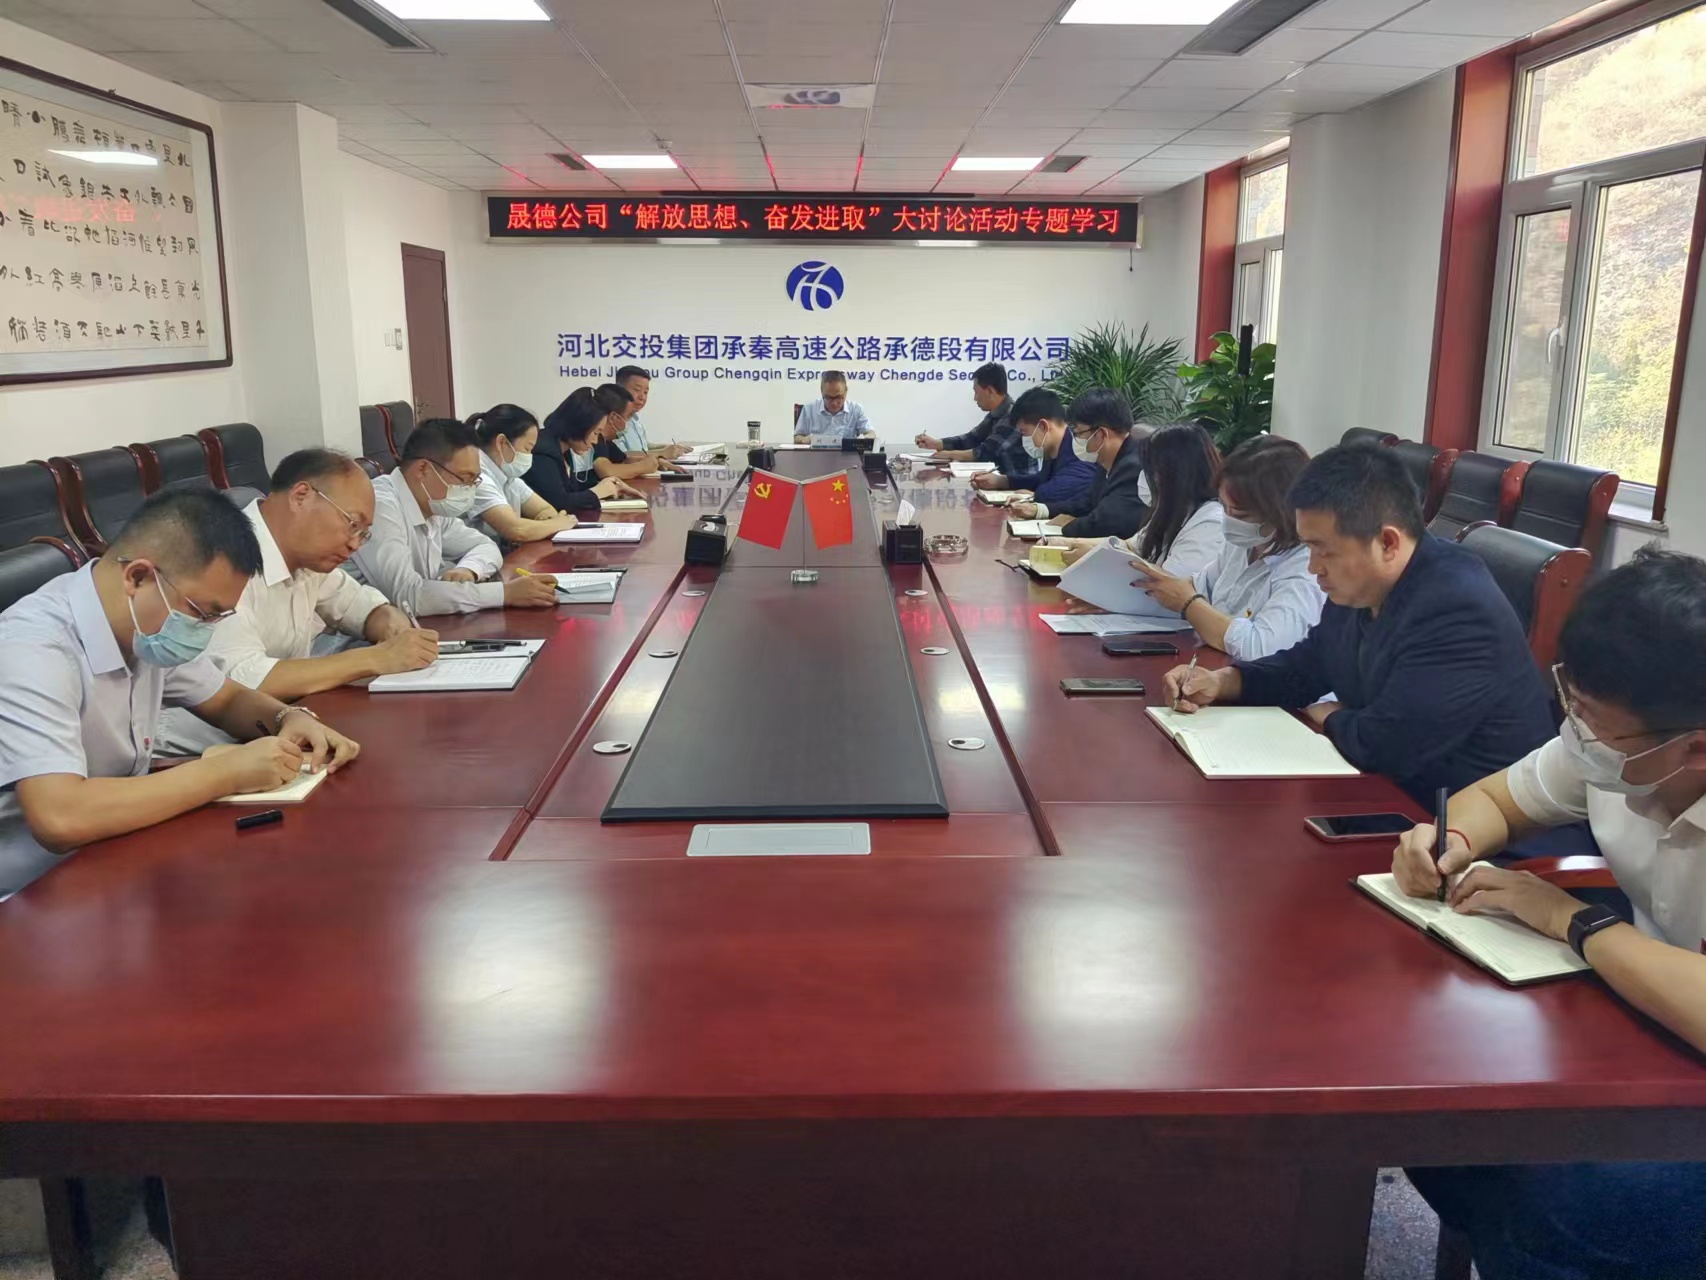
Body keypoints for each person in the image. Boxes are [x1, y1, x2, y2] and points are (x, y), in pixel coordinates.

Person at [1390, 548, 1706, 1280]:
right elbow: (1498, 800)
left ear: (1694, 747)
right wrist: (1448, 840)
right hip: (1649, 1036)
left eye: (1593, 720)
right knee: (1441, 1127)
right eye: (1572, 700)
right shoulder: (1622, 750)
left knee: (1569, 1202)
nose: (1575, 731)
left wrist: (1574, 920)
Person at [0, 489, 361, 896]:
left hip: (117, 857)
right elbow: (60, 817)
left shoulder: (145, 625)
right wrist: (224, 773)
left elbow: (226, 699)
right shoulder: (34, 648)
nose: (204, 630)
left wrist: (288, 717)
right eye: (203, 613)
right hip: (29, 894)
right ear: (138, 577)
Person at [1163, 443, 1555, 804]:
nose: (1313, 567)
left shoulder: (1457, 608)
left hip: (1464, 828)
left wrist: (1332, 716)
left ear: (1387, 543)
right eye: (1308, 547)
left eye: (1324, 551)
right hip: (1383, 798)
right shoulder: (1362, 586)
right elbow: (1305, 667)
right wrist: (1223, 682)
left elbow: (1388, 745)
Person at [1116, 434, 1324, 660]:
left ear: (1281, 513)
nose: (1228, 520)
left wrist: (1189, 604)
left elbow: (1259, 648)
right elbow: (1199, 585)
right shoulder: (1243, 543)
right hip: (1211, 667)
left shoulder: (1305, 570)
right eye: (1224, 506)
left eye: (1241, 514)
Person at [348, 417, 559, 615]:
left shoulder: (433, 504)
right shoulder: (379, 506)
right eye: (465, 478)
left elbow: (485, 545)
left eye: (474, 481)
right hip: (359, 637)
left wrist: (469, 569)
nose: (470, 488)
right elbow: (408, 595)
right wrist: (504, 594)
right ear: (423, 469)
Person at [1051, 422, 1226, 579]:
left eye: (1149, 471)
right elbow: (1131, 546)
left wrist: (1097, 561)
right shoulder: (1173, 510)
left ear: (1176, 474)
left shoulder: (1210, 524)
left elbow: (1171, 587)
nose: (1143, 478)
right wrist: (1067, 544)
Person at [1010, 388, 1149, 539]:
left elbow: (1105, 522)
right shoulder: (1108, 461)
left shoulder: (1134, 467)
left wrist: (1070, 525)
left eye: (1078, 434)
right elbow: (1087, 503)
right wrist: (1041, 510)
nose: (1075, 440)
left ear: (1101, 434)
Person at [466, 403, 580, 544]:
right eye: (527, 448)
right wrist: (558, 524)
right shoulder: (477, 477)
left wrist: (547, 524)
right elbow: (516, 530)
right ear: (502, 442)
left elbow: (545, 509)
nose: (530, 456)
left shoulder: (507, 476)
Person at [529, 388, 643, 515]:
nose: (595, 441)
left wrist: (610, 484)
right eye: (596, 433)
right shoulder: (543, 452)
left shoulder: (564, 449)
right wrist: (597, 492)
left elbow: (571, 490)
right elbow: (559, 502)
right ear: (580, 424)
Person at [916, 363, 1023, 476]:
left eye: (976, 392)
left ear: (990, 391)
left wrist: (949, 454)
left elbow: (984, 453)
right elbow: (972, 438)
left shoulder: (1012, 416)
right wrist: (937, 443)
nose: (975, 398)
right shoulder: (995, 413)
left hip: (1015, 483)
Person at [591, 383, 670, 481]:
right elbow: (607, 471)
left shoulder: (606, 441)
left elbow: (624, 460)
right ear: (613, 417)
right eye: (628, 416)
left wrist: (655, 461)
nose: (629, 422)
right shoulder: (594, 438)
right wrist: (643, 467)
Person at [610, 365, 687, 460]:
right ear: (619, 390)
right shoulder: (611, 420)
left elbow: (643, 446)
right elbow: (620, 455)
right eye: (637, 390)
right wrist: (662, 453)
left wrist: (667, 447)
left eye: (645, 392)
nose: (642, 397)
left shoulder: (634, 419)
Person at [794, 370, 872, 442]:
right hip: (816, 452)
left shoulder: (856, 409)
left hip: (847, 453)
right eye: (828, 398)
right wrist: (805, 439)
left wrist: (863, 440)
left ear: (846, 392)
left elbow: (871, 433)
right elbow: (797, 437)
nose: (834, 403)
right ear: (822, 392)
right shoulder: (809, 409)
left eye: (839, 397)